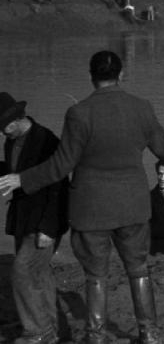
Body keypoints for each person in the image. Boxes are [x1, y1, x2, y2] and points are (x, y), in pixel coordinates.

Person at [0, 51, 164, 344]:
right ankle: (149, 333)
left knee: (96, 275)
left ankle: (96, 335)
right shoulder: (141, 108)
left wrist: (23, 178)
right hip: (132, 207)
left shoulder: (79, 113)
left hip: (90, 211)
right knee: (139, 270)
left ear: (91, 77)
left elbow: (61, 165)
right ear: (122, 74)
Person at [0, 93, 69, 344]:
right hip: (22, 218)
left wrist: (48, 229)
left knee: (21, 271)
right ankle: (54, 331)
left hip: (44, 220)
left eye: (3, 127)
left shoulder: (46, 141)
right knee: (39, 274)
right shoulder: (11, 140)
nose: (1, 133)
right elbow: (14, 172)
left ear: (17, 119)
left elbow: (59, 186)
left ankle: (37, 331)